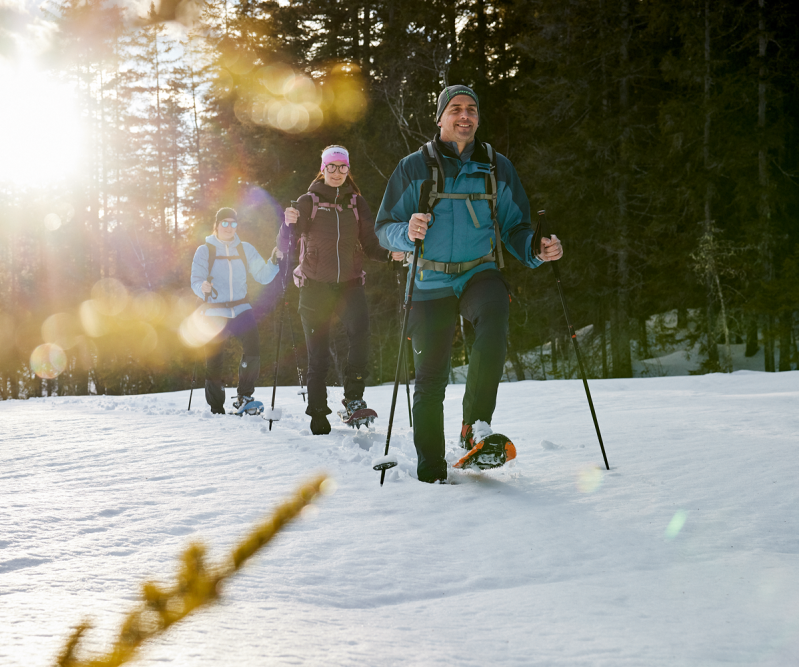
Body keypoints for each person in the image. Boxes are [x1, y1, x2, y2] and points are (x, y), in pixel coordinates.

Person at [374, 85, 564, 483]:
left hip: (479, 270)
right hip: (429, 275)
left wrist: (536, 248)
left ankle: (475, 427)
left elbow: (516, 227)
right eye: (456, 109)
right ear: (440, 117)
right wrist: (405, 230)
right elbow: (383, 228)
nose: (465, 116)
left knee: (494, 324)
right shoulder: (413, 167)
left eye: (472, 110)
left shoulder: (497, 167)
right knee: (431, 374)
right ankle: (430, 468)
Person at [279, 145, 404, 435]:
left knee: (360, 337)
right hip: (314, 287)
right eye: (332, 167)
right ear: (323, 169)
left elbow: (371, 243)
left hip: (349, 284)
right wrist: (287, 225)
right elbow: (287, 242)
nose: (337, 172)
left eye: (342, 167)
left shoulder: (356, 204)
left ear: (348, 170)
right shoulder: (307, 201)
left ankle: (354, 399)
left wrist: (389, 255)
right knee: (318, 353)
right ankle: (318, 411)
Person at [191, 207, 279, 415]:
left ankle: (245, 396)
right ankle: (216, 407)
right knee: (214, 360)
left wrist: (274, 261)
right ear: (217, 225)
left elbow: (262, 275)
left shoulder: (245, 249)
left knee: (253, 349)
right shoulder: (205, 250)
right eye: (225, 223)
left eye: (233, 223)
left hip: (240, 308)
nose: (229, 227)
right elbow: (196, 279)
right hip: (214, 311)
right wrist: (202, 287)